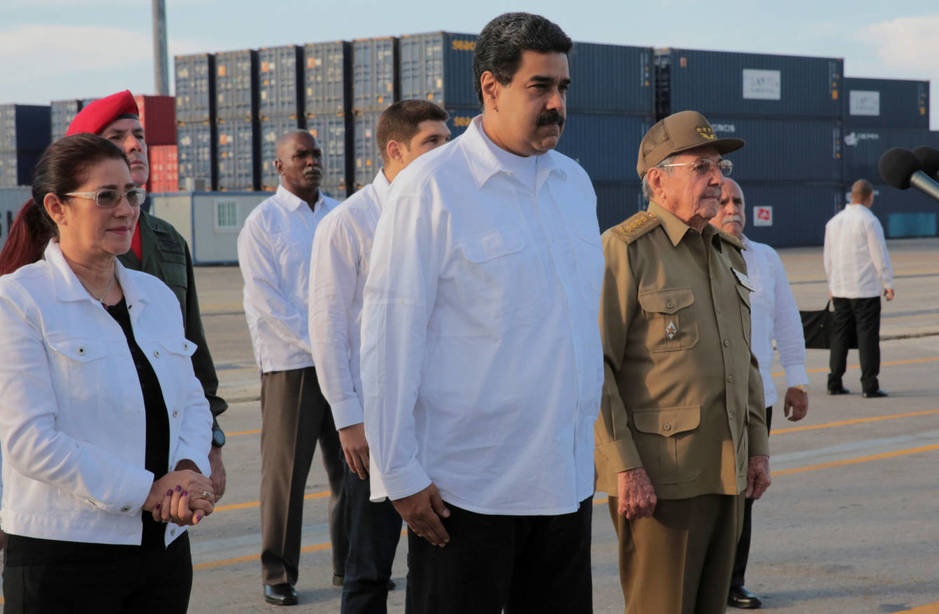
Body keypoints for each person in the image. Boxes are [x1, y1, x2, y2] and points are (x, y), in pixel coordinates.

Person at [360, 13, 602, 613]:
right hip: (467, 493)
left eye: (562, 88)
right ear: (491, 88)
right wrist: (399, 474)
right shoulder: (432, 188)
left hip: (566, 483)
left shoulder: (574, 184)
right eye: (539, 87)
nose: (556, 104)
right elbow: (390, 334)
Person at [0, 134, 215, 612]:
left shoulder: (154, 294)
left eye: (131, 194)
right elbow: (30, 440)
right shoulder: (19, 300)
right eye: (106, 197)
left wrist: (187, 470)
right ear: (56, 207)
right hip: (66, 555)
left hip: (162, 550)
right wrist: (148, 490)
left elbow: (191, 399)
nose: (126, 209)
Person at [0, 90, 229, 501]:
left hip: (164, 506)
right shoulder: (27, 280)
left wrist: (201, 451)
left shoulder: (168, 243)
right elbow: (25, 424)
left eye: (138, 134)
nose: (134, 145)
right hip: (72, 509)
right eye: (116, 136)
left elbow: (192, 364)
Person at [595, 110, 771, 614]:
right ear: (657, 180)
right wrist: (624, 467)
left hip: (726, 472)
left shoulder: (725, 252)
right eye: (701, 167)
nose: (718, 178)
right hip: (661, 481)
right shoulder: (625, 251)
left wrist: (756, 448)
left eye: (720, 167)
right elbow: (593, 370)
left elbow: (746, 361)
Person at [309, 100, 450, 613]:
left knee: (437, 559)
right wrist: (348, 421)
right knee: (368, 569)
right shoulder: (347, 224)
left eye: (446, 141)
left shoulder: (443, 214)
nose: (445, 152)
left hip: (438, 419)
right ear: (395, 151)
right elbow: (327, 329)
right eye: (432, 142)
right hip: (373, 424)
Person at [237, 130, 346, 606]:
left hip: (344, 365)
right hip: (292, 367)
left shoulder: (341, 214)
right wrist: (320, 345)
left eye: (316, 154)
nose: (311, 161)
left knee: (354, 473)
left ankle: (353, 566)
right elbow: (267, 303)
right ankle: (278, 573)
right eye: (300, 155)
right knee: (285, 476)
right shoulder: (263, 225)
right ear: (279, 166)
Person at [711, 178, 809, 609]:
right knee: (709, 496)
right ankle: (703, 580)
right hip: (708, 401)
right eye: (724, 200)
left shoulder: (765, 258)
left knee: (747, 492)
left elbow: (787, 320)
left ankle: (734, 581)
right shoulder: (693, 254)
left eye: (739, 201)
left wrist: (798, 380)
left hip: (757, 401)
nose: (733, 208)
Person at [823, 179, 894, 398]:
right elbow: (879, 255)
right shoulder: (869, 221)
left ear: (851, 196)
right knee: (868, 338)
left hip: (841, 289)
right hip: (865, 290)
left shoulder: (833, 222)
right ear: (870, 197)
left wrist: (831, 284)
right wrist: (888, 283)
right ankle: (869, 385)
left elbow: (828, 257)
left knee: (840, 337)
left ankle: (834, 382)